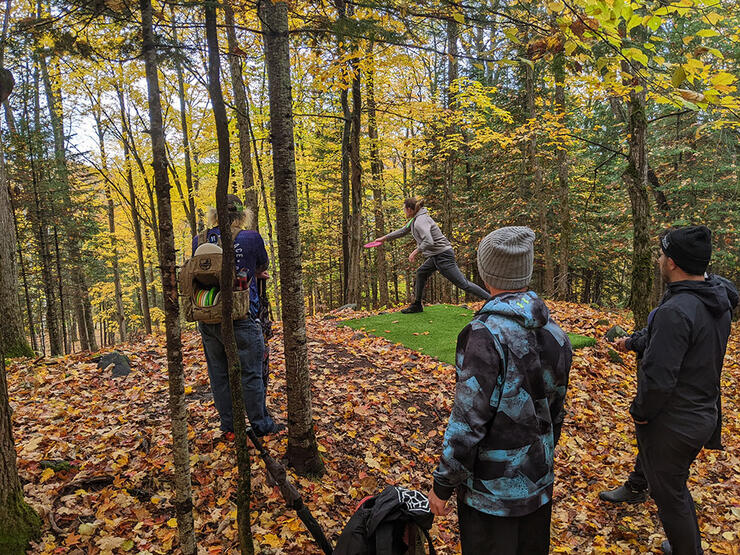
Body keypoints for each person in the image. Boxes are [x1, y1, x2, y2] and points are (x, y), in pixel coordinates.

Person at [426, 226, 572, 554]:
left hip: (490, 499)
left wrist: (442, 484)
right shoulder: (556, 334)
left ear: (486, 271)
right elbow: (556, 414)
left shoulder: (483, 335)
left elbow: (468, 423)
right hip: (538, 485)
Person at [603, 225, 736, 555]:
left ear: (673, 263)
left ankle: (687, 548)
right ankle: (639, 489)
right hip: (700, 411)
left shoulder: (676, 312)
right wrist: (632, 342)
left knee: (670, 493)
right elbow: (663, 338)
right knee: (667, 478)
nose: (659, 259)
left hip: (677, 420)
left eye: (662, 254)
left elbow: (659, 378)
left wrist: (641, 413)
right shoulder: (710, 295)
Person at [192, 194, 283, 438]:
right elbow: (262, 266)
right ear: (242, 215)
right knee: (250, 373)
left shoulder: (198, 240)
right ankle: (260, 425)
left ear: (215, 214)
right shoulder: (251, 237)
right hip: (242, 316)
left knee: (219, 375)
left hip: (208, 317)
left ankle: (230, 426)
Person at [375, 198, 490, 313]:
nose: (404, 211)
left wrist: (415, 251)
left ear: (409, 210)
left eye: (404, 209)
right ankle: (417, 305)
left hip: (443, 255)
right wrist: (384, 238)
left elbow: (429, 241)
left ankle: (492, 299)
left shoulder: (420, 221)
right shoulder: (415, 219)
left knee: (462, 283)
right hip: (437, 255)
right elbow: (403, 231)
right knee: (421, 273)